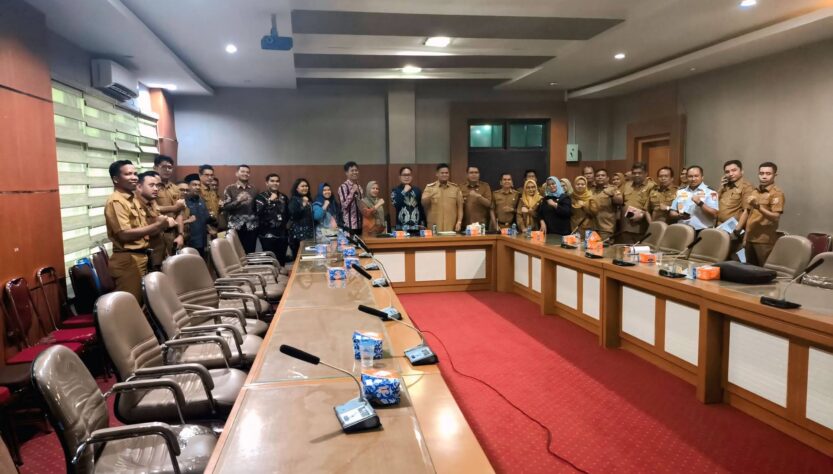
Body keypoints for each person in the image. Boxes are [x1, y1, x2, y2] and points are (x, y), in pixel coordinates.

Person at [104, 160, 174, 302]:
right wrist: (157, 226)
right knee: (131, 303)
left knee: (144, 302)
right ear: (116, 179)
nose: (134, 177)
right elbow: (124, 234)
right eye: (128, 174)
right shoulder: (116, 201)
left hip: (140, 257)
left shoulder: (132, 199)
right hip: (128, 259)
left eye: (135, 173)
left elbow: (142, 225)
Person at [737, 162, 785, 266]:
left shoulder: (776, 193)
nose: (764, 176)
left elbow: (775, 217)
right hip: (749, 238)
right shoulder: (755, 191)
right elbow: (748, 213)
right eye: (761, 173)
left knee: (764, 269)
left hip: (764, 240)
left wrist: (758, 207)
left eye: (768, 173)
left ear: (775, 175)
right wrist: (741, 233)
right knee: (748, 268)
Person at [152, 155, 186, 257]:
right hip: (157, 234)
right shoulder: (151, 187)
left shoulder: (176, 189)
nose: (167, 170)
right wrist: (174, 208)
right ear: (155, 168)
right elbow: (152, 208)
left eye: (170, 167)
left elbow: (179, 213)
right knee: (158, 264)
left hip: (173, 233)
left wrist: (180, 234)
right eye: (164, 167)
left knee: (175, 262)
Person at [669, 165, 719, 230]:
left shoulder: (712, 192)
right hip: (682, 229)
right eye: (690, 176)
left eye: (696, 176)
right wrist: (679, 216)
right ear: (687, 177)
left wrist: (700, 203)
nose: (693, 179)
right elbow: (672, 212)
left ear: (702, 177)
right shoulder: (680, 191)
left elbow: (714, 214)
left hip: (702, 231)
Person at [255, 173, 289, 265]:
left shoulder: (283, 197)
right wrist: (269, 201)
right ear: (266, 183)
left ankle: (282, 274)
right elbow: (258, 213)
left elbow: (287, 214)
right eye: (272, 181)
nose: (275, 183)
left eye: (277, 181)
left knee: (281, 261)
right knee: (270, 262)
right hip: (267, 235)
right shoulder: (260, 197)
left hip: (282, 234)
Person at [222, 164, 258, 253]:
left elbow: (257, 208)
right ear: (237, 173)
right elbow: (226, 207)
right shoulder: (230, 188)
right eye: (242, 171)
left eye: (247, 172)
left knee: (250, 252)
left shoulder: (254, 189)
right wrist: (238, 201)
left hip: (251, 226)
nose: (245, 174)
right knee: (235, 253)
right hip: (235, 226)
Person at [134, 171, 166, 270]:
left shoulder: (151, 201)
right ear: (139, 187)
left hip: (158, 254)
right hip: (145, 257)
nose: (156, 189)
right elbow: (146, 230)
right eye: (151, 185)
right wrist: (163, 223)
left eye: (157, 186)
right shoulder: (135, 204)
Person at [614, 163, 651, 244]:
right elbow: (619, 200)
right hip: (625, 226)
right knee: (625, 249)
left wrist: (643, 214)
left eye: (639, 173)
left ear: (645, 174)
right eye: (634, 173)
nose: (636, 175)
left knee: (638, 250)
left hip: (641, 227)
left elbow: (651, 205)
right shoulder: (626, 185)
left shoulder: (651, 186)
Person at [422, 163, 463, 232]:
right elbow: (423, 203)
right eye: (442, 173)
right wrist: (431, 195)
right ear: (437, 174)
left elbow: (460, 208)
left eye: (446, 173)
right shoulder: (429, 188)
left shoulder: (455, 188)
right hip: (434, 227)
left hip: (451, 226)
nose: (444, 175)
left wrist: (459, 222)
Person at [717, 159, 755, 226]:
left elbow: (747, 211)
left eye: (734, 170)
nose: (730, 174)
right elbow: (713, 204)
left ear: (741, 171)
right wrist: (721, 188)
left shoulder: (746, 187)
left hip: (732, 227)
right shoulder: (725, 186)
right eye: (727, 172)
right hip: (718, 225)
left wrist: (737, 229)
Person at [182, 174, 210, 258]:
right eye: (194, 185)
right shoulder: (183, 201)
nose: (198, 187)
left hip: (202, 240)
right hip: (188, 242)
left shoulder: (201, 200)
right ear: (188, 186)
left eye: (199, 185)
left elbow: (205, 218)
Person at [390, 166, 425, 231]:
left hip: (416, 227)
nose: (407, 177)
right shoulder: (395, 190)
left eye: (409, 175)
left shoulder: (417, 190)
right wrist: (404, 191)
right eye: (404, 175)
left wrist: (423, 223)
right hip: (401, 227)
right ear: (400, 177)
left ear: (412, 177)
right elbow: (396, 204)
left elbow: (421, 208)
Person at [288, 178, 314, 259]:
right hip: (298, 236)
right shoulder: (294, 200)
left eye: (306, 186)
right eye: (302, 186)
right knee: (299, 258)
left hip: (309, 234)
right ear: (297, 188)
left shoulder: (308, 199)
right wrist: (303, 204)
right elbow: (294, 216)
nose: (305, 188)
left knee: (309, 257)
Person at [591, 169, 618, 240]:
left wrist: (613, 195)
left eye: (603, 175)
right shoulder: (592, 190)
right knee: (591, 246)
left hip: (606, 227)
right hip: (592, 227)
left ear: (608, 178)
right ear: (595, 178)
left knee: (605, 247)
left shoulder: (613, 189)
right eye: (598, 176)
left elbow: (620, 202)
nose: (600, 177)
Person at [337, 161, 363, 235]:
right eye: (352, 170)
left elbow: (361, 205)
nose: (355, 172)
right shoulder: (343, 187)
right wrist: (352, 191)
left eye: (356, 170)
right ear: (346, 173)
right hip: (348, 225)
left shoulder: (359, 187)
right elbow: (344, 206)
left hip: (360, 224)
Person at [198, 164, 221, 237]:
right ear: (200, 175)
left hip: (214, 225)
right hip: (203, 228)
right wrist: (209, 229)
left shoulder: (212, 190)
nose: (210, 177)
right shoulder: (198, 191)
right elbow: (198, 213)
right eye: (207, 175)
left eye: (211, 175)